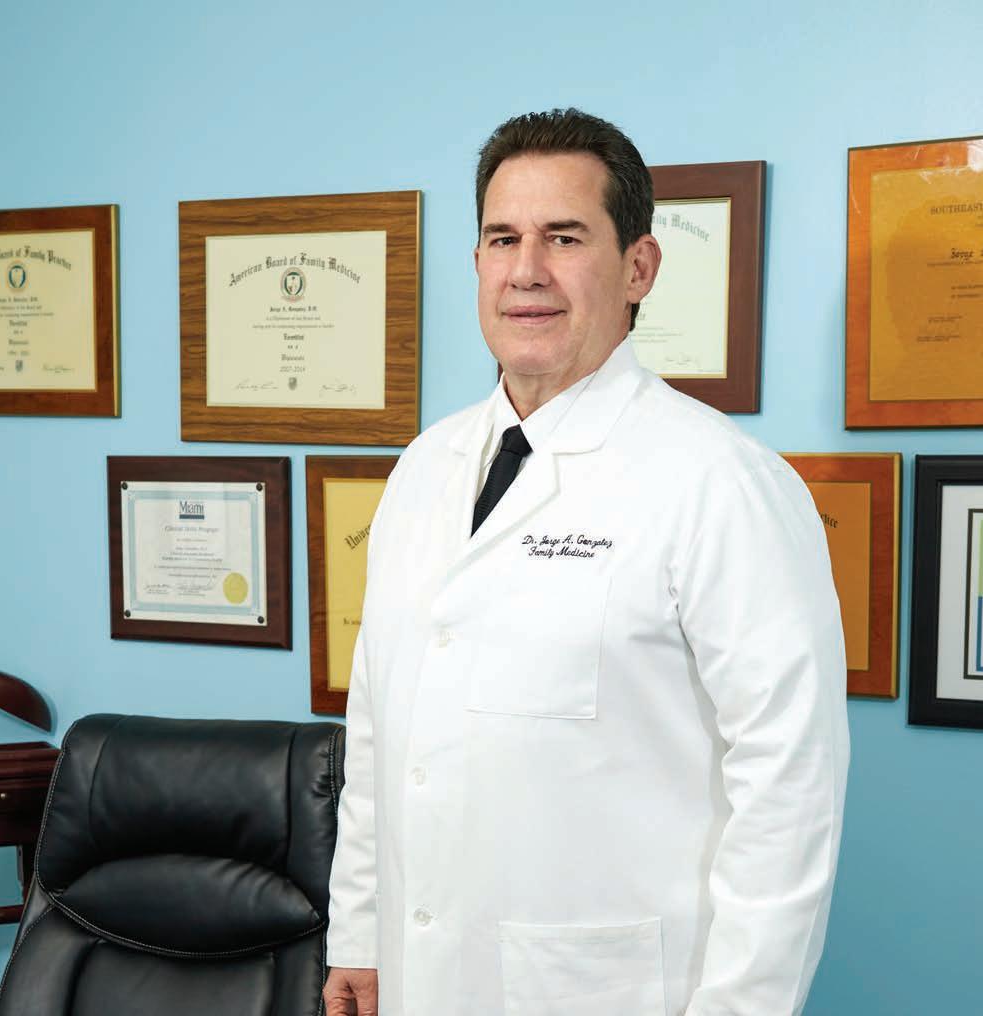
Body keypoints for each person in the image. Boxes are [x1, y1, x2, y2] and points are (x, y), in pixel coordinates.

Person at [324, 108, 849, 1016]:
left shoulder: (721, 481)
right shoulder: (424, 467)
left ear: (638, 267)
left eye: (563, 237)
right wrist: (361, 938)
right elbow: (378, 730)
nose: (526, 270)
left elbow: (789, 787)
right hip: (418, 979)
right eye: (503, 239)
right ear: (478, 262)